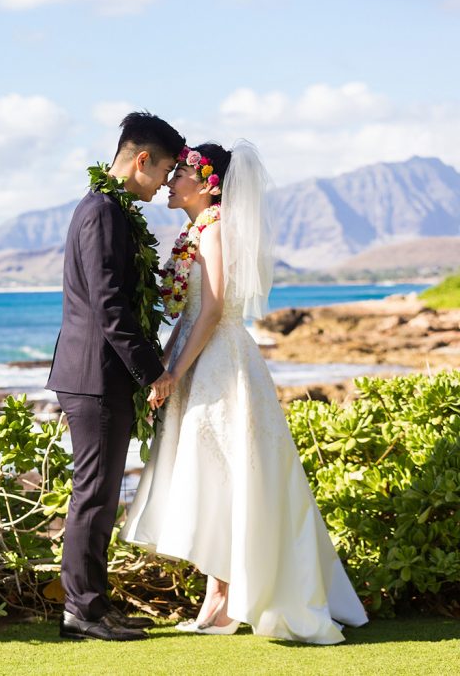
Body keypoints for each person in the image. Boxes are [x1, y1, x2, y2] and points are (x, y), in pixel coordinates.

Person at [119, 140, 368, 643]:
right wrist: (166, 367)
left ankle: (227, 598)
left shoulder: (213, 230)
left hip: (220, 363)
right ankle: (219, 595)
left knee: (228, 477)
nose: (170, 180)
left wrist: (173, 372)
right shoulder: (195, 230)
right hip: (197, 357)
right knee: (212, 478)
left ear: (208, 183)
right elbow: (188, 315)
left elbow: (210, 312)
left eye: (181, 172)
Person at [46, 111, 184, 641]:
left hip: (97, 375)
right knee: (94, 494)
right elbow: (109, 305)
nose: (166, 183)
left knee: (100, 494)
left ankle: (94, 607)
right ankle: (81, 612)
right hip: (93, 376)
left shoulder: (107, 207)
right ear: (141, 159)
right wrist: (154, 373)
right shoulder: (103, 211)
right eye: (165, 170)